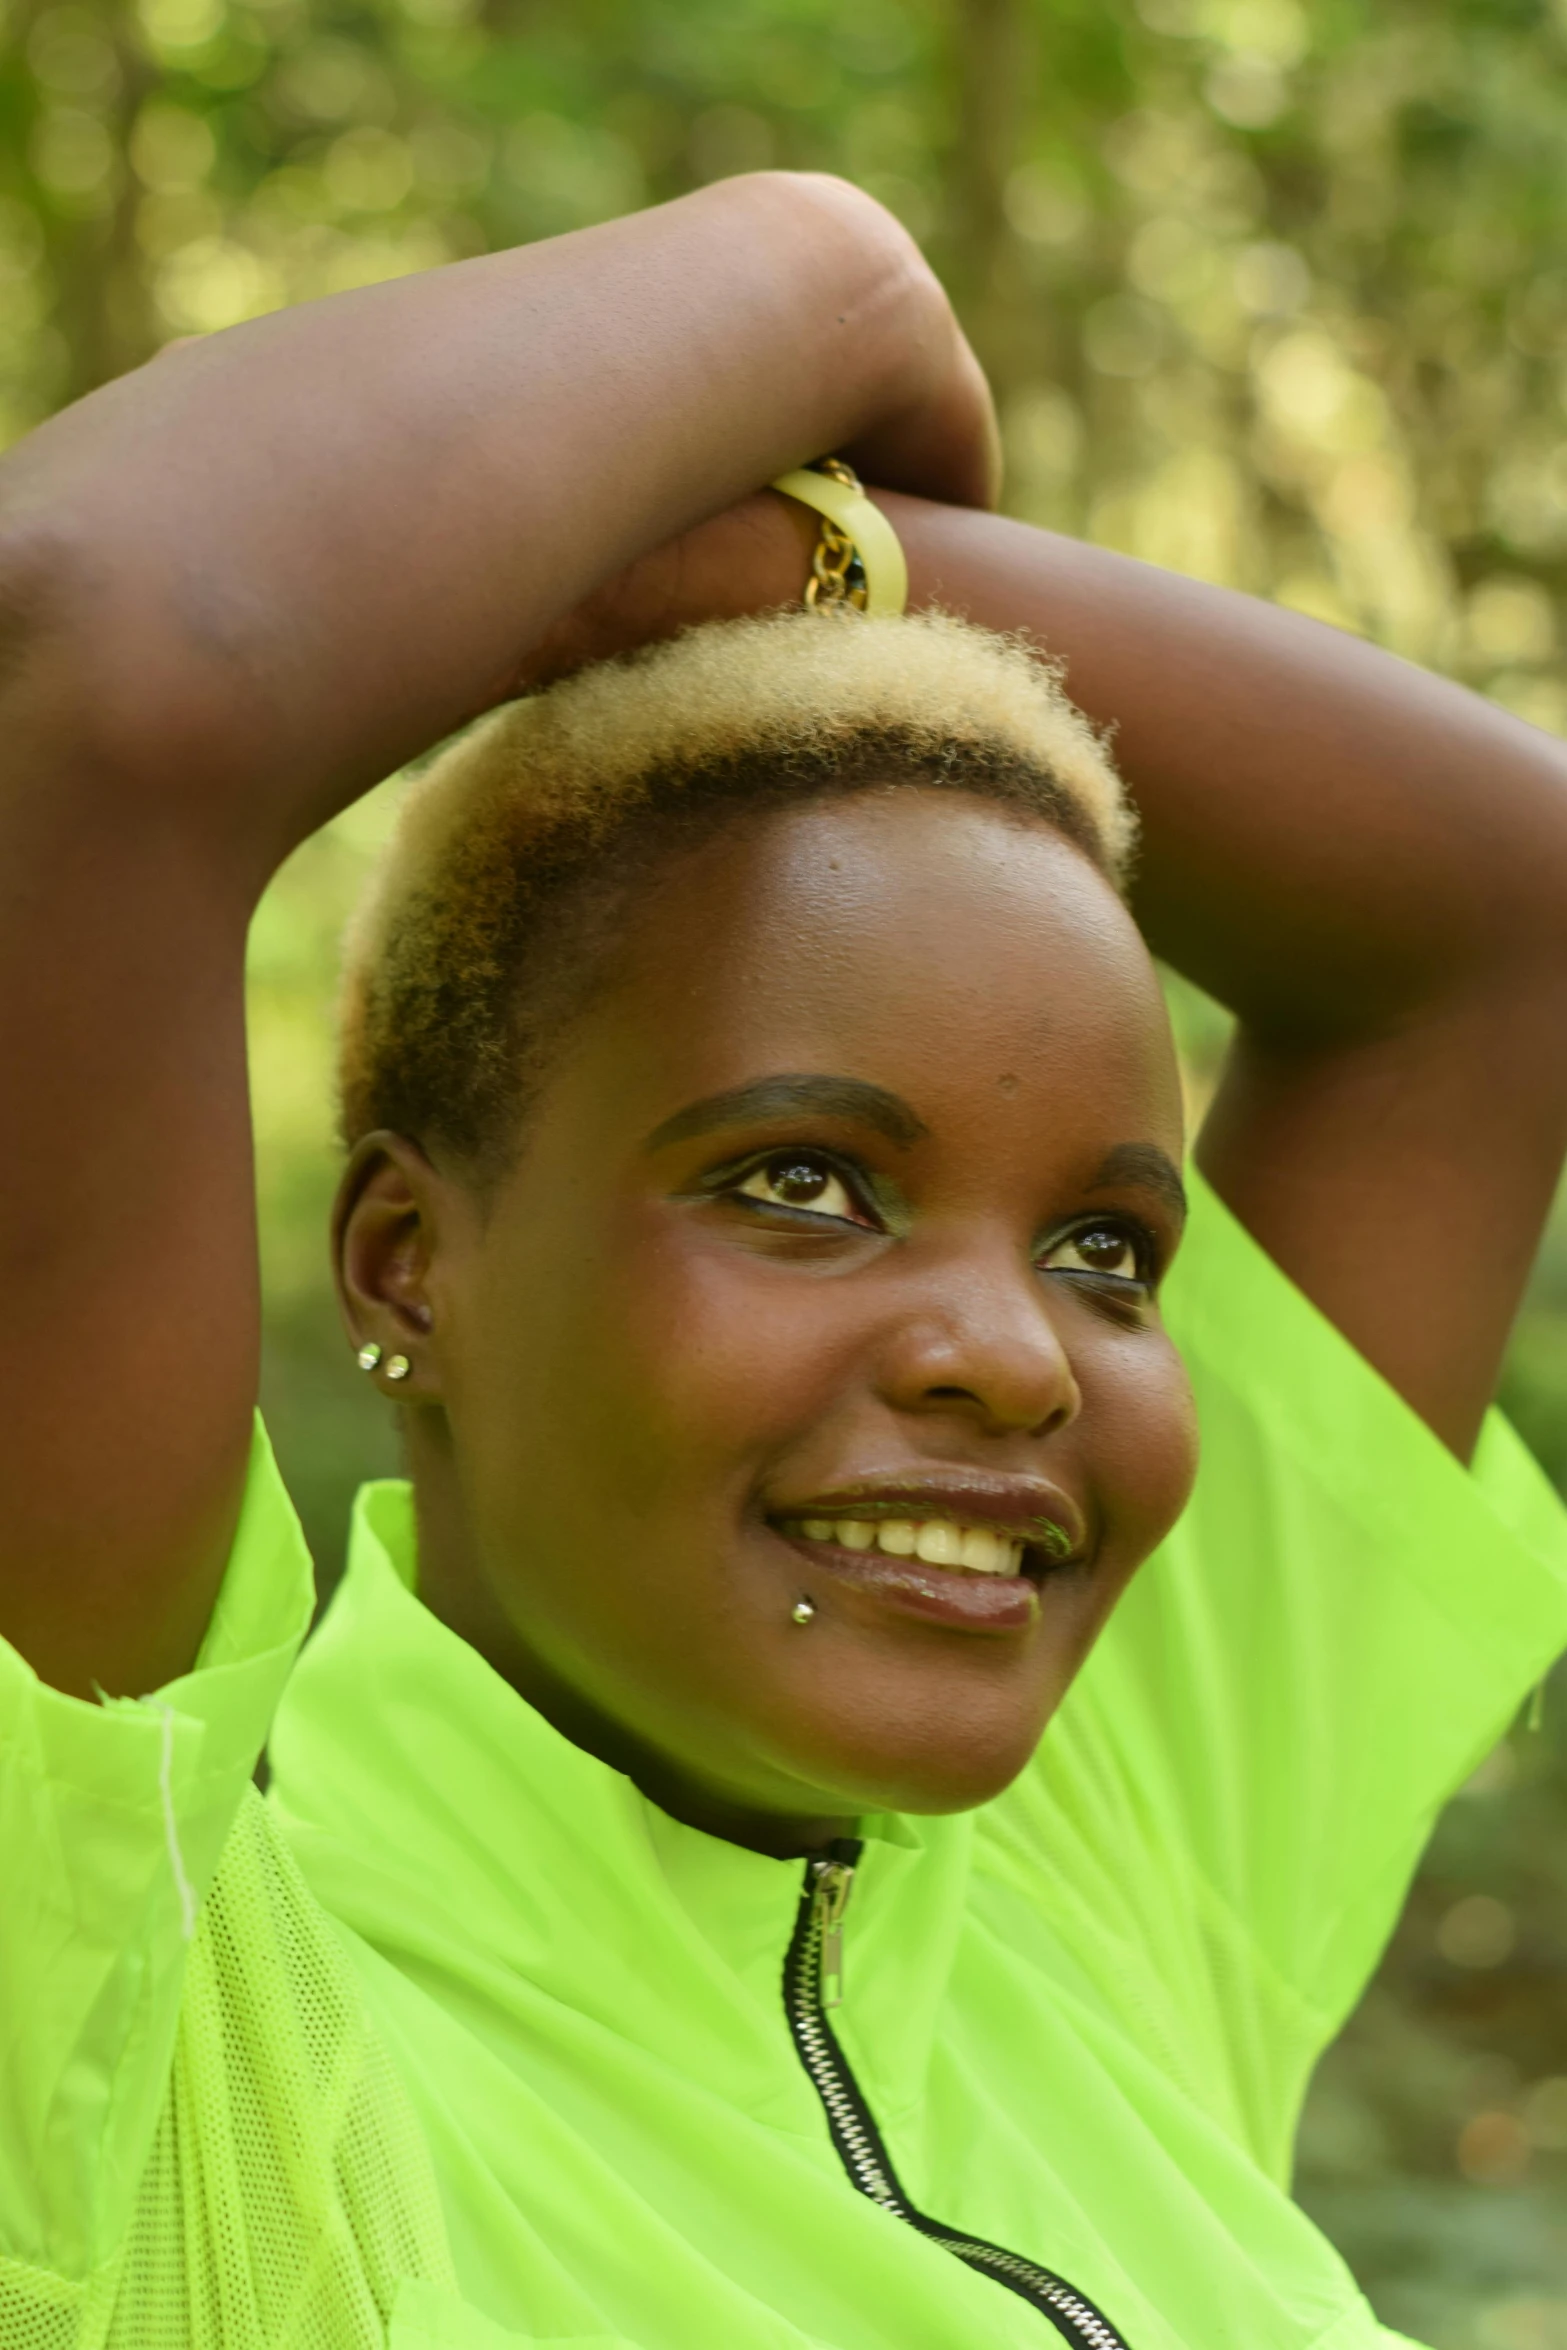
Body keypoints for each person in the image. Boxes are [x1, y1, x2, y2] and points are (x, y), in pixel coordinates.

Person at [1, 171, 1565, 2350]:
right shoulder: (145, 2009)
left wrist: (820, 577)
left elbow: (1496, 935)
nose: (1020, 1357)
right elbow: (102, 644)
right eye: (803, 1183)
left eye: (1111, 1244)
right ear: (403, 1263)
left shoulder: (1079, 1874)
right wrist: (837, 273)